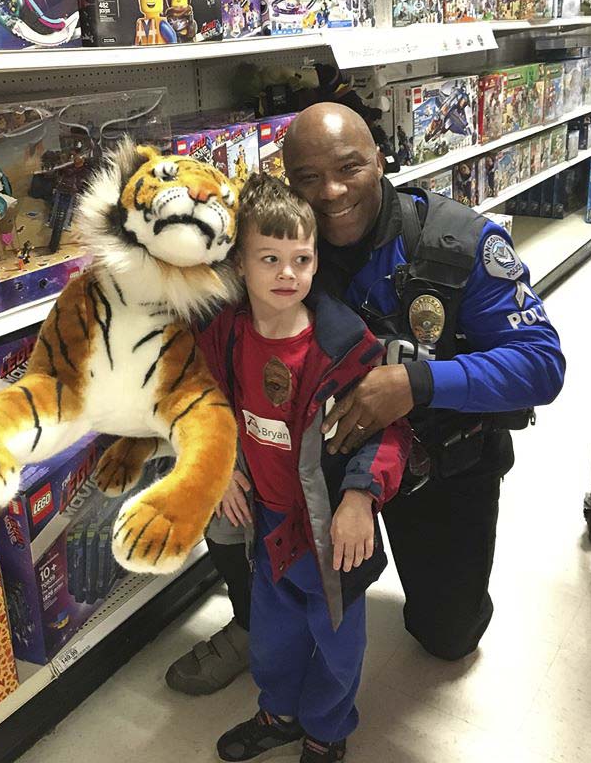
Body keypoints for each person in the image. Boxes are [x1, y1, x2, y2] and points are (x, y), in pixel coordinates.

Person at [166, 102, 565, 694]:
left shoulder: (458, 243)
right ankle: (256, 619)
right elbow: (199, 352)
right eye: (308, 177)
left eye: (349, 167)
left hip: (437, 466)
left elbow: (542, 364)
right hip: (311, 464)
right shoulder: (274, 248)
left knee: (448, 637)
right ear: (286, 180)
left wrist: (416, 383)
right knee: (218, 483)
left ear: (380, 160)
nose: (330, 192)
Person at [192, 173, 411, 763]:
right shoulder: (226, 335)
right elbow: (203, 400)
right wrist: (220, 466)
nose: (287, 273)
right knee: (272, 633)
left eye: (302, 259)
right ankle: (280, 714)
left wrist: (360, 498)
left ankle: (327, 731)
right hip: (268, 524)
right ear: (240, 264)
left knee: (337, 641)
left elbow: (388, 430)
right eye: (270, 258)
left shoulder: (344, 346)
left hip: (333, 531)